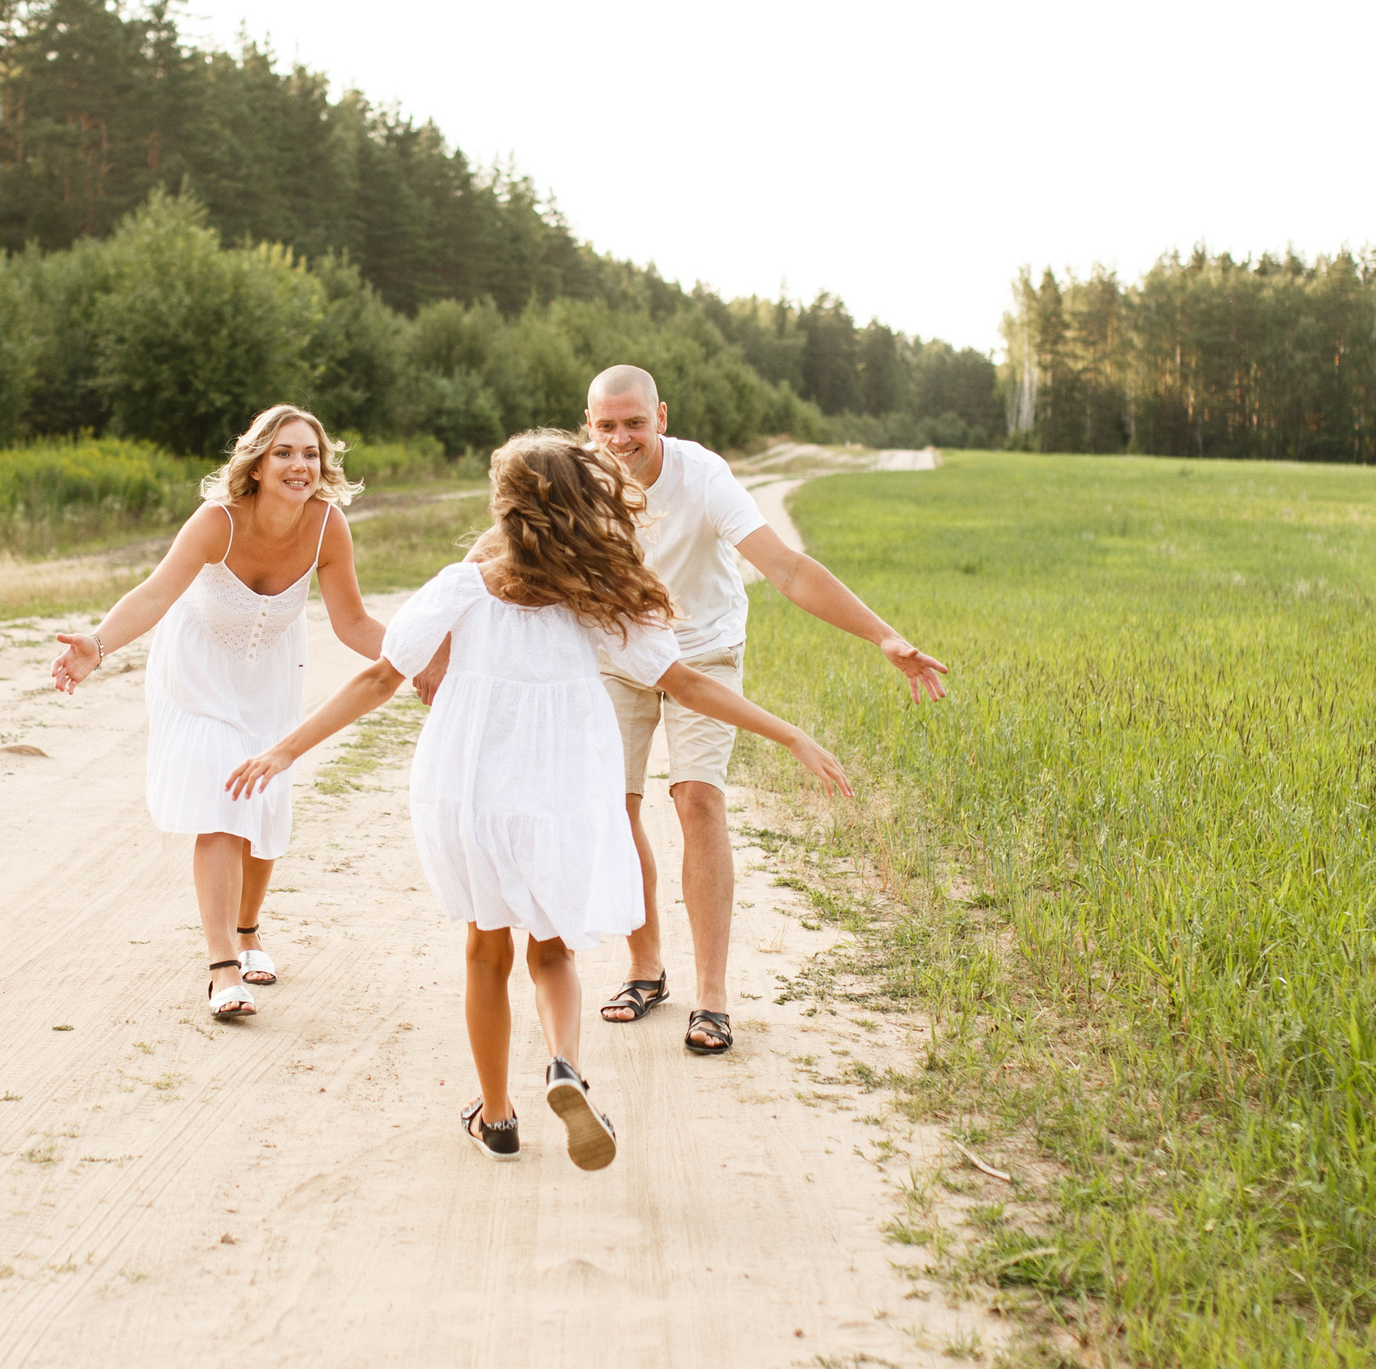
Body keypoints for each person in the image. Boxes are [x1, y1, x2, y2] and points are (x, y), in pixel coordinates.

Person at [226, 432, 847, 1167]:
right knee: (552, 953)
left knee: (486, 952)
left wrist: (284, 749)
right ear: (586, 505)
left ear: (509, 509)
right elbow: (688, 684)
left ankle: (495, 1116)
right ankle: (564, 1066)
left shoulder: (462, 586)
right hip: (563, 792)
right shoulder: (603, 597)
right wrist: (789, 735)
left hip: (472, 792)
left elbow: (377, 680)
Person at [416, 365, 948, 1056]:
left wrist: (884, 634)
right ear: (588, 425)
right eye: (605, 425)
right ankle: (645, 968)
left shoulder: (703, 478)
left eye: (633, 422)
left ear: (660, 417)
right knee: (613, 803)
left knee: (697, 799)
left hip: (701, 652)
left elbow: (786, 568)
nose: (620, 437)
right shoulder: (581, 475)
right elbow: (495, 551)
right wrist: (434, 646)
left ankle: (714, 996)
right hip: (613, 654)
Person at [51, 405, 385, 1020]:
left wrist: (425, 656)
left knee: (262, 808)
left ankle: (250, 930)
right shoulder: (218, 521)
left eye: (309, 454)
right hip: (198, 676)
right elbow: (155, 591)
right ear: (257, 462)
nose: (299, 465)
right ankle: (222, 966)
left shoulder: (327, 527)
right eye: (284, 452)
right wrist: (96, 647)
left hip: (271, 682)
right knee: (223, 806)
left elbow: (354, 623)